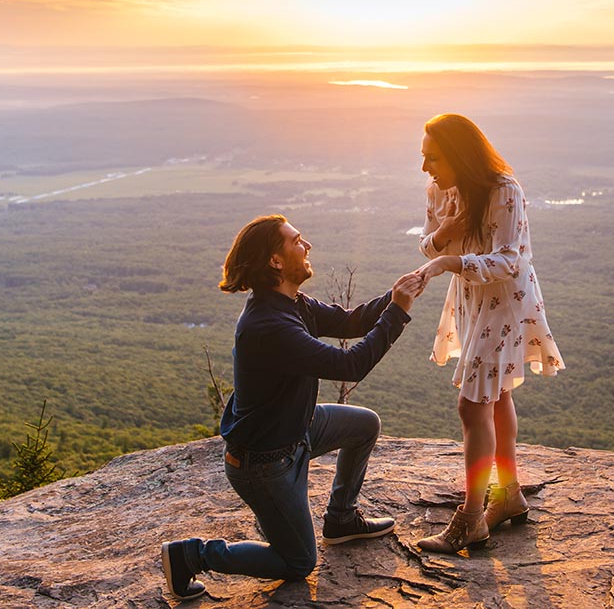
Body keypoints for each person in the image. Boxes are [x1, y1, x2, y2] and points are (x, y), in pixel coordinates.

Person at [161, 214, 423, 599]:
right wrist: (397, 313)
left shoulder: (292, 303)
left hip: (298, 430)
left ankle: (341, 519)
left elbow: (351, 321)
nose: (308, 246)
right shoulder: (270, 324)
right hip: (264, 465)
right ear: (276, 261)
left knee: (364, 425)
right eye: (297, 240)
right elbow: (349, 366)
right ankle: (192, 555)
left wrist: (398, 293)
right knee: (298, 564)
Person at [414, 113, 564, 554]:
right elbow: (426, 243)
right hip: (469, 299)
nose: (425, 168)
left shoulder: (504, 191)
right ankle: (509, 495)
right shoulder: (438, 190)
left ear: (460, 154)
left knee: (471, 402)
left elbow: (510, 260)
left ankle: (472, 516)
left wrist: (448, 262)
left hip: (505, 300)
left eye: (433, 157)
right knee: (496, 395)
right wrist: (447, 233)